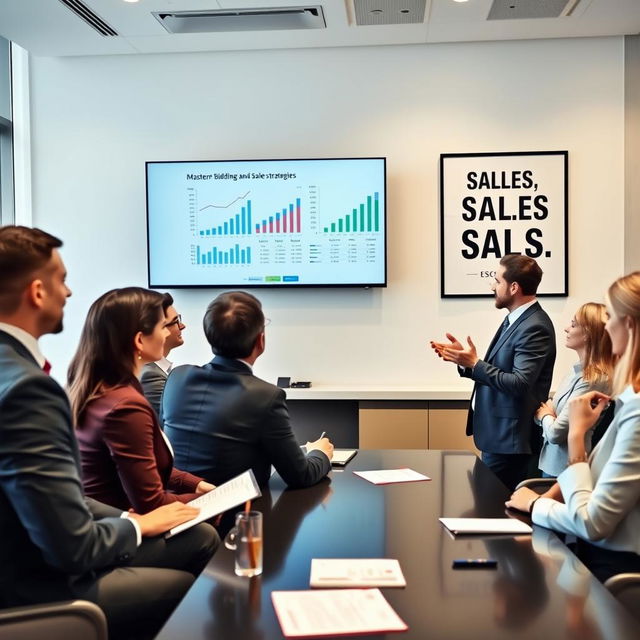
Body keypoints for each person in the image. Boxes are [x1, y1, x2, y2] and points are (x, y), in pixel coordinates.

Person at [0, 226, 219, 638]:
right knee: (187, 583)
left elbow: (58, 497)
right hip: (31, 586)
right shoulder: (29, 389)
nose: (68, 293)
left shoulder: (27, 374)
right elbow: (72, 547)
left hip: (29, 553)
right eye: (61, 280)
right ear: (37, 292)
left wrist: (126, 517)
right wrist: (136, 525)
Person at [507, 271, 640, 583]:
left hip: (612, 569)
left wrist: (538, 504)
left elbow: (593, 523)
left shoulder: (634, 408)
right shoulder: (627, 396)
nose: (608, 326)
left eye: (612, 317)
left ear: (630, 325)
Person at [163, 291, 334, 488]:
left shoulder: (177, 377)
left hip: (175, 507)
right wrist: (320, 452)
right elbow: (300, 476)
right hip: (234, 514)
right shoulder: (265, 396)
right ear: (260, 341)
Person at [69, 287, 215, 514]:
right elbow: (150, 505)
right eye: (161, 327)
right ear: (139, 340)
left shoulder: (100, 389)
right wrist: (213, 501)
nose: (167, 334)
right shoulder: (125, 406)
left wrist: (194, 484)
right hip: (121, 531)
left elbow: (141, 463)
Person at [431, 254, 556, 489]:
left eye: (497, 281)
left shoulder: (534, 326)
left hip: (510, 442)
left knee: (496, 513)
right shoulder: (517, 319)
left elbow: (519, 383)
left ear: (514, 287)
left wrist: (475, 363)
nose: (492, 286)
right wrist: (465, 362)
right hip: (498, 437)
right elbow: (501, 372)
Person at [536, 303, 614, 477]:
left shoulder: (594, 379)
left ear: (588, 334)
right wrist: (548, 417)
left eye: (573, 325)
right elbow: (548, 412)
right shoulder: (575, 371)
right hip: (553, 464)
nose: (566, 329)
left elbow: (556, 433)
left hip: (567, 471)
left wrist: (545, 416)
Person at [140, 292, 186, 418]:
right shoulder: (150, 375)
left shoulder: (153, 369)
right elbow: (174, 422)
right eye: (176, 321)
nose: (182, 326)